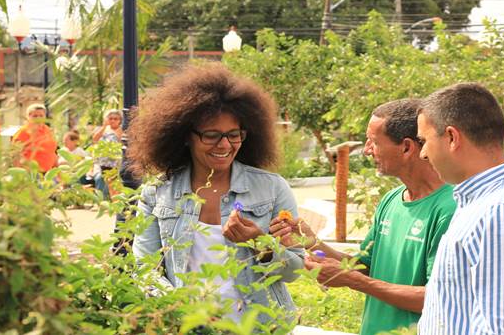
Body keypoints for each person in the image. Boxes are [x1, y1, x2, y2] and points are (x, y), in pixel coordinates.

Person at [129, 64, 303, 325]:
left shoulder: (272, 188)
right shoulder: (157, 194)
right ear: (186, 136)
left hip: (263, 328)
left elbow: (295, 269)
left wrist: (262, 245)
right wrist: (181, 308)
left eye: (234, 135)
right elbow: (145, 269)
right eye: (211, 135)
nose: (224, 145)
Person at [271, 99, 456, 335]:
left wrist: (352, 281)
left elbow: (436, 298)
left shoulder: (449, 209)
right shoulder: (391, 200)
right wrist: (311, 243)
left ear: (407, 148)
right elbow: (365, 266)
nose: (367, 150)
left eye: (374, 142)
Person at [416, 83, 504, 334]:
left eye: (424, 141)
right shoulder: (481, 201)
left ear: (452, 137)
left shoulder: (503, 211)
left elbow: (500, 329)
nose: (423, 154)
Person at [12, 103, 58, 172]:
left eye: (41, 116)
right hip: (31, 173)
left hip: (48, 173)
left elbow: (53, 152)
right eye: (35, 116)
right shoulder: (23, 133)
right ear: (28, 117)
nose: (38, 118)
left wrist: (57, 171)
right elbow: (15, 155)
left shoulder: (48, 131)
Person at [91, 109, 123, 199]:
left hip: (115, 163)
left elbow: (122, 141)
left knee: (114, 184)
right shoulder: (103, 129)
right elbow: (95, 139)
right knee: (99, 179)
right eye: (110, 118)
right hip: (101, 162)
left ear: (120, 120)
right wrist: (104, 126)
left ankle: (115, 203)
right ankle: (100, 201)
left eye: (115, 119)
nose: (112, 120)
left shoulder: (122, 130)